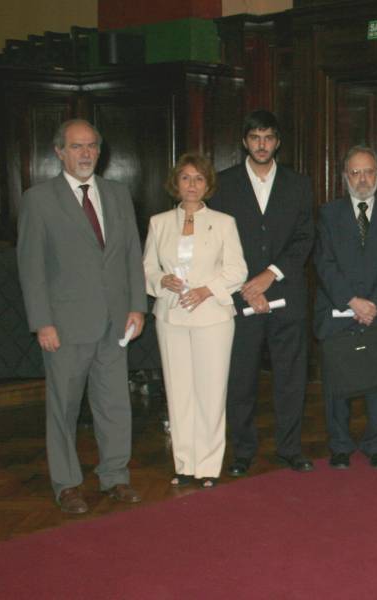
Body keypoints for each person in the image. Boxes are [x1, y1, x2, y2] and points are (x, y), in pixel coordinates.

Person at [16, 118, 147, 513]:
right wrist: (42, 322)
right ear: (59, 152)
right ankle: (67, 484)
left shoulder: (118, 194)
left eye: (91, 145)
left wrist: (138, 306)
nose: (86, 153)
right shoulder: (39, 200)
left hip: (114, 322)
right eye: (76, 146)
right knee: (64, 408)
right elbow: (31, 267)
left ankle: (115, 476)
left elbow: (130, 256)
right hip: (65, 325)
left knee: (114, 404)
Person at [208, 110, 316, 476]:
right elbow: (217, 245)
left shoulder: (299, 185)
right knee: (241, 378)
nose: (262, 145)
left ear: (278, 142)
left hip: (287, 295)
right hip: (240, 298)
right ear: (245, 142)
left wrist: (270, 275)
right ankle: (243, 452)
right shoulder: (222, 185)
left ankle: (289, 448)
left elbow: (305, 238)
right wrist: (246, 286)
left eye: (268, 137)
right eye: (255, 137)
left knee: (291, 378)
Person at [143, 153, 247, 488]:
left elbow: (237, 270)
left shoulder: (224, 222)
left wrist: (206, 290)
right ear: (176, 183)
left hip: (212, 317)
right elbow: (147, 267)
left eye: (199, 178)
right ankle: (184, 463)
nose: (192, 185)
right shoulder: (159, 222)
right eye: (186, 178)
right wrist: (162, 280)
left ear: (208, 185)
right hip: (171, 315)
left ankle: (208, 465)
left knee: (210, 392)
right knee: (178, 392)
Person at [314, 146, 377, 469]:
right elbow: (324, 263)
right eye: (355, 172)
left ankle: (376, 443)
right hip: (340, 310)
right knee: (338, 382)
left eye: (368, 172)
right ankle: (339, 445)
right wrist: (352, 300)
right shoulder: (328, 214)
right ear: (344, 177)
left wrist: (374, 303)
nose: (362, 179)